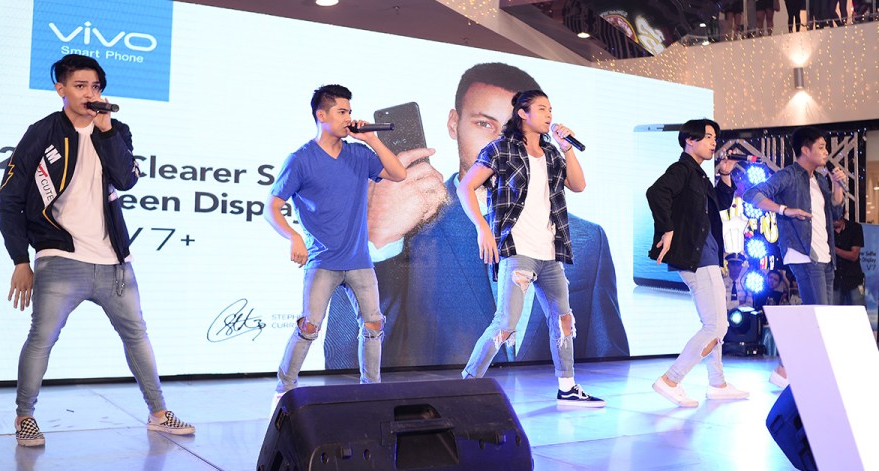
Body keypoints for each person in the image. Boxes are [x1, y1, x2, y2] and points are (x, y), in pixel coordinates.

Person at [323, 63, 628, 370]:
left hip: (547, 398)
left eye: (510, 127)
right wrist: (376, 238)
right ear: (453, 124)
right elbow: (342, 361)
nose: (500, 140)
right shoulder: (405, 225)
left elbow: (611, 360)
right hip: (451, 396)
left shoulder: (589, 239)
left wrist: (567, 150)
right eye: (484, 124)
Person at [0, 54, 195, 447]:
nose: (90, 94)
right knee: (42, 338)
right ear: (61, 89)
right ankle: (25, 416)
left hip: (115, 262)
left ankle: (159, 414)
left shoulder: (115, 130)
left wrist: (106, 132)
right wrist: (20, 259)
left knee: (137, 336)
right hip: (60, 258)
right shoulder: (42, 132)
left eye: (96, 87)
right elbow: (9, 200)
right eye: (80, 86)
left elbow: (126, 179)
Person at [456, 89, 605, 407]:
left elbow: (578, 185)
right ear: (522, 113)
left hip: (550, 253)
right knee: (505, 324)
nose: (549, 115)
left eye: (550, 109)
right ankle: (468, 385)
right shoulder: (501, 149)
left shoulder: (552, 153)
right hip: (517, 250)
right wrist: (482, 228)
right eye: (541, 109)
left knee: (563, 320)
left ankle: (567, 387)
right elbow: (466, 186)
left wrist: (567, 148)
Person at [264, 84, 406, 412]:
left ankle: (371, 391)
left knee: (374, 324)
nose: (348, 118)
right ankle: (284, 390)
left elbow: (399, 174)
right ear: (321, 115)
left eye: (349, 112)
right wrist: (294, 237)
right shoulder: (300, 159)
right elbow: (272, 207)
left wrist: (371, 140)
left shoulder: (358, 154)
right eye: (341, 112)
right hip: (322, 260)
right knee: (309, 327)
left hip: (359, 260)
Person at [646, 119, 750, 408]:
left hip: (708, 255)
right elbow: (656, 192)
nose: (713, 142)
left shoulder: (699, 174)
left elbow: (721, 205)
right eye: (707, 137)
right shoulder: (682, 169)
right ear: (689, 140)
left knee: (715, 323)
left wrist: (725, 175)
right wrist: (667, 229)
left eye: (714, 137)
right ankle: (671, 379)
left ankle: (717, 383)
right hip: (697, 257)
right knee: (716, 326)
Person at [743, 126, 845, 387]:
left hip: (825, 256)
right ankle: (790, 370)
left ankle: (788, 370)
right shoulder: (788, 175)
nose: (826, 152)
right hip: (803, 254)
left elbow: (835, 214)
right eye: (821, 147)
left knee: (821, 318)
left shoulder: (820, 179)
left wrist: (837, 185)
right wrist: (784, 210)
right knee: (818, 317)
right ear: (805, 150)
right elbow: (752, 195)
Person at [833, 216, 865, 307]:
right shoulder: (825, 229)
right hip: (834, 280)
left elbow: (854, 256)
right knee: (832, 312)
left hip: (853, 279)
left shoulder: (855, 228)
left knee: (858, 312)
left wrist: (834, 249)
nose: (834, 221)